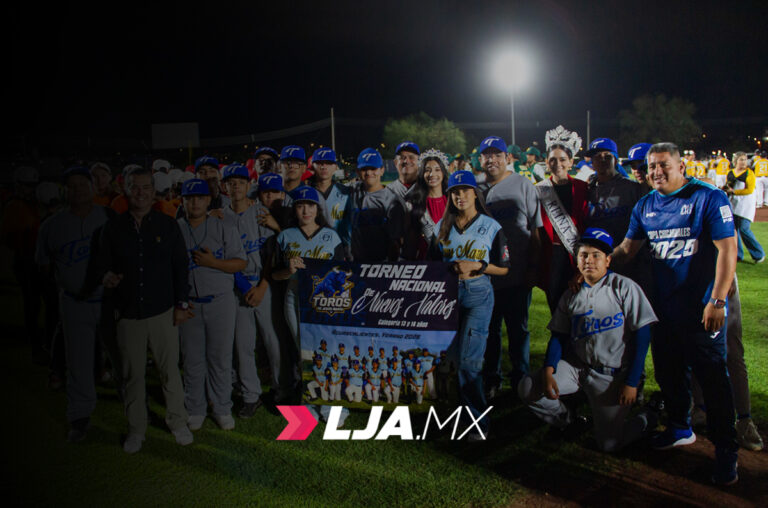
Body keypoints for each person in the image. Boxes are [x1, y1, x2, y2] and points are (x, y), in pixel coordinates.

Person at [611, 142, 740, 485]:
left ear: (681, 166)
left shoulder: (708, 197)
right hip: (664, 309)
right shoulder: (645, 205)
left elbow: (728, 250)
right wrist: (599, 262)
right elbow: (628, 249)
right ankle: (680, 427)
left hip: (702, 310)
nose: (656, 171)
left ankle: (727, 450)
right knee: (670, 374)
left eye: (663, 165)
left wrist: (717, 301)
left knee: (713, 381)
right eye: (651, 166)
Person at [519, 228, 658, 452]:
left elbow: (643, 336)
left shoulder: (624, 287)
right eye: (583, 255)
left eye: (596, 255)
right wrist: (549, 369)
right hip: (578, 368)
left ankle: (648, 416)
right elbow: (559, 335)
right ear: (577, 261)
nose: (589, 260)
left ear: (608, 260)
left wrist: (632, 382)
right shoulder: (571, 294)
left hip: (612, 376)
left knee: (610, 444)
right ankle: (567, 420)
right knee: (528, 387)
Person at [91, 167, 193, 453]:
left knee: (169, 371)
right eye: (135, 187)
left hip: (162, 311)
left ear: (153, 191)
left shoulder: (167, 224)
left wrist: (182, 304)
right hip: (127, 313)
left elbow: (180, 267)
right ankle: (136, 428)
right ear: (126, 190)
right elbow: (100, 264)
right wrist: (105, 276)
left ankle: (177, 422)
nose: (141, 193)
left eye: (146, 187)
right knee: (132, 374)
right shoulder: (113, 228)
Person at [35, 166, 113, 443]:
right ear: (64, 191)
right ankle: (79, 417)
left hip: (108, 301)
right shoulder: (52, 225)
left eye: (83, 184)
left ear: (93, 187)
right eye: (72, 185)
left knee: (122, 358)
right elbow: (43, 266)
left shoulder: (108, 217)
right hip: (73, 302)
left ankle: (135, 410)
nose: (78, 189)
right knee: (78, 362)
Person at [431, 170, 510, 439]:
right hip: (446, 297)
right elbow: (432, 266)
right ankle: (451, 412)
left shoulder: (491, 226)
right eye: (454, 191)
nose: (460, 195)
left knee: (469, 362)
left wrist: (479, 265)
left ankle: (477, 421)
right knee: (447, 361)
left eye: (465, 190)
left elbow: (505, 268)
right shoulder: (441, 227)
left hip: (478, 294)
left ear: (475, 193)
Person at [177, 178, 247, 431]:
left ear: (208, 200)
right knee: (192, 360)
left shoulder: (223, 226)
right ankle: (195, 408)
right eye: (189, 198)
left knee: (220, 358)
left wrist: (213, 263)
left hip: (220, 300)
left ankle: (221, 408)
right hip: (188, 304)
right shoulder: (175, 229)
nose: (195, 202)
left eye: (200, 197)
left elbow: (240, 263)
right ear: (183, 201)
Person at [476, 135, 541, 398]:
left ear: (507, 158)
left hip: (517, 272)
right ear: (480, 159)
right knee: (489, 331)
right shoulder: (475, 187)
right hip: (485, 275)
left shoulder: (522, 184)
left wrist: (533, 267)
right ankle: (492, 378)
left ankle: (520, 378)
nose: (491, 159)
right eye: (486, 155)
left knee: (518, 330)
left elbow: (535, 230)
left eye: (497, 154)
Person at [270, 186, 345, 393]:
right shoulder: (285, 236)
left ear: (317, 208)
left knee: (327, 348)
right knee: (303, 350)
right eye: (300, 206)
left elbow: (343, 273)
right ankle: (310, 396)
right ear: (294, 209)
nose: (306, 211)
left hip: (325, 300)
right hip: (294, 297)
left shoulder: (332, 236)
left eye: (310, 205)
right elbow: (274, 275)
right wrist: (288, 270)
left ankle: (331, 398)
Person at [221, 163, 281, 416]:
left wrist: (262, 286)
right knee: (243, 345)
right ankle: (250, 395)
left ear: (248, 185)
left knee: (273, 341)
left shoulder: (260, 213)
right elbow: (221, 256)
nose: (236, 187)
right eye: (231, 183)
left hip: (263, 284)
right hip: (237, 287)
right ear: (224, 187)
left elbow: (272, 254)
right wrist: (244, 285)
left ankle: (280, 390)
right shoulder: (219, 216)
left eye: (240, 182)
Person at [536, 126, 590, 313]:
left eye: (562, 159)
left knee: (583, 311)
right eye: (552, 159)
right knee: (557, 311)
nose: (557, 164)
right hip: (552, 258)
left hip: (580, 254)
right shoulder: (538, 190)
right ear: (546, 162)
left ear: (571, 162)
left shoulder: (583, 188)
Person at [1, 166, 44, 360]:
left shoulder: (33, 204)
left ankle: (40, 340)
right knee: (32, 303)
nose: (30, 189)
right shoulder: (14, 206)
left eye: (32, 185)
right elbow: (8, 237)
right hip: (26, 259)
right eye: (27, 185)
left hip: (38, 258)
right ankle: (35, 343)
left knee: (43, 302)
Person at [349, 148, 406, 262]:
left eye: (373, 168)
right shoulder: (352, 190)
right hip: (355, 262)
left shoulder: (392, 200)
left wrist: (389, 266)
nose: (369, 173)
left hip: (381, 263)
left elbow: (396, 241)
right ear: (358, 172)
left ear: (382, 170)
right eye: (364, 169)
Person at [404, 148, 450, 259]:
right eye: (427, 170)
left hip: (451, 260)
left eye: (437, 170)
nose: (432, 174)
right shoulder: (413, 204)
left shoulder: (453, 200)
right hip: (425, 261)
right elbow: (410, 241)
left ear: (443, 173)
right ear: (422, 174)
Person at [723, 152, 764, 263]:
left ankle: (759, 254)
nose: (744, 162)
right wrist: (725, 189)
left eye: (745, 159)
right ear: (735, 161)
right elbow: (729, 186)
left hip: (746, 205)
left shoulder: (749, 173)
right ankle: (737, 255)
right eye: (741, 159)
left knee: (744, 228)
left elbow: (749, 190)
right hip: (733, 204)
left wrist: (734, 191)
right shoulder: (730, 172)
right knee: (734, 230)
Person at [307, 147, 352, 248]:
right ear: (313, 166)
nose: (324, 167)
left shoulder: (346, 192)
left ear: (335, 167)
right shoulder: (305, 193)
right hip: (313, 249)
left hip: (341, 249)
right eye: (319, 163)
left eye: (328, 163)